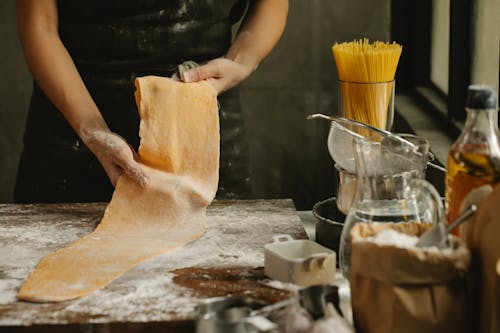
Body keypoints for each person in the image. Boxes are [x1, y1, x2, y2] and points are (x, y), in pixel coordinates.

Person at [14, 0, 288, 203]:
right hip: (73, 131)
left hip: (203, 125)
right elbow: (40, 27)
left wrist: (240, 61)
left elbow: (272, 5)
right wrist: (93, 131)